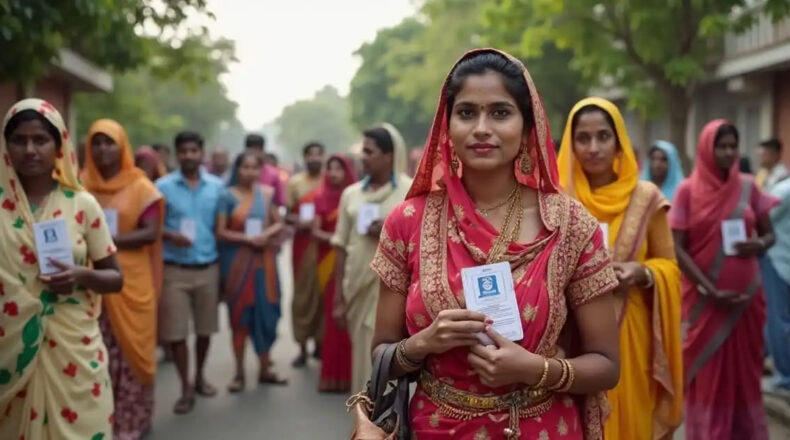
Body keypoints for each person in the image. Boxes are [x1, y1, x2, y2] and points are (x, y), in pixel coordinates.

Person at [369, 50, 621, 440]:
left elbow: (606, 365)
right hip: (435, 429)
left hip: (543, 426)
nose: (482, 128)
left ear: (527, 128)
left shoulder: (570, 225)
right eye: (467, 113)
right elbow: (382, 353)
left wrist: (535, 369)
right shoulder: (408, 221)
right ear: (447, 125)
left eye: (501, 113)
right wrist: (424, 342)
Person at [557, 98, 683, 440]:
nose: (594, 147)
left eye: (603, 136)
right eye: (583, 138)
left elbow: (669, 265)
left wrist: (641, 273)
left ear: (619, 141)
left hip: (630, 334)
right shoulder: (557, 199)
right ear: (571, 142)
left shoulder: (645, 198)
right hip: (571, 336)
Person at [0, 99, 123, 439]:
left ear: (58, 146)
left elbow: (115, 278)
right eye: (18, 140)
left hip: (74, 349)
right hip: (9, 348)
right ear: (5, 146)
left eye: (40, 139)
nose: (29, 149)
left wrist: (82, 276)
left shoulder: (81, 203)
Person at [669, 120, 778, 439]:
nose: (729, 152)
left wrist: (758, 244)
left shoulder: (748, 186)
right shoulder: (688, 190)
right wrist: (708, 287)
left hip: (746, 302)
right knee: (709, 373)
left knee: (746, 372)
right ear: (706, 147)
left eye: (733, 145)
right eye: (722, 146)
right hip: (707, 302)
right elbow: (677, 246)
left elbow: (769, 234)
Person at [82, 119, 164, 439]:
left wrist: (106, 239)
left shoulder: (141, 186)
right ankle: (97, 423)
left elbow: (151, 231)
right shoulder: (79, 184)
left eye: (110, 142)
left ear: (123, 146)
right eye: (97, 142)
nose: (103, 150)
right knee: (96, 351)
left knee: (133, 352)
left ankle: (133, 421)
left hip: (132, 278)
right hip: (91, 277)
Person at [332, 123, 412, 394]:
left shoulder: (408, 191)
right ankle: (364, 417)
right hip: (356, 284)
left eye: (369, 151)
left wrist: (388, 233)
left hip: (392, 288)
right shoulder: (351, 194)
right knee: (361, 356)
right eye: (362, 151)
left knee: (382, 355)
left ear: (389, 155)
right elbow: (340, 246)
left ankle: (380, 420)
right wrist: (338, 299)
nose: (362, 157)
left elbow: (420, 243)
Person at [156, 131, 224, 414]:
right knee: (176, 333)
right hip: (175, 270)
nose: (188, 156)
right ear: (176, 154)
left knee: (205, 329)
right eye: (183, 151)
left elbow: (223, 228)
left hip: (208, 267)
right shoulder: (161, 187)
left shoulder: (217, 187)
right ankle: (185, 386)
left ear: (201, 152)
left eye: (193, 150)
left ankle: (199, 377)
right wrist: (171, 235)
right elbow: (150, 228)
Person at [217, 152, 287, 391]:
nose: (249, 172)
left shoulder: (266, 195)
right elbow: (221, 231)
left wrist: (265, 235)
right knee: (239, 318)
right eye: (244, 167)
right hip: (237, 264)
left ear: (260, 170)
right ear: (237, 169)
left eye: (253, 168)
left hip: (264, 264)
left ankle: (265, 369)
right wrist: (247, 239)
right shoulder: (226, 196)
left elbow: (279, 222)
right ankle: (238, 373)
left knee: (267, 315)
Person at [312, 154, 358, 392]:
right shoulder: (319, 197)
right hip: (330, 262)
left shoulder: (356, 197)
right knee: (334, 316)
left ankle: (354, 375)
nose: (333, 173)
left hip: (354, 261)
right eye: (330, 169)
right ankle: (332, 375)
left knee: (354, 315)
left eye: (338, 168)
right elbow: (315, 231)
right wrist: (339, 240)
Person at [288, 141, 326, 367]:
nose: (314, 158)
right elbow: (287, 215)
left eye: (318, 154)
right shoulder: (294, 183)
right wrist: (299, 222)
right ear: (304, 158)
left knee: (322, 294)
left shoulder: (329, 180)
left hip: (323, 244)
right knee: (302, 295)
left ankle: (319, 346)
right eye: (309, 154)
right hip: (302, 244)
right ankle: (301, 347)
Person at [763, 176, 790, 396]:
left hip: (777, 260)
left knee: (776, 320)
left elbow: (762, 219)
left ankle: (784, 377)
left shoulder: (784, 190)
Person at [243, 134, 285, 206]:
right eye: (251, 151)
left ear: (263, 151)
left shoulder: (274, 174)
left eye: (257, 150)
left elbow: (279, 202)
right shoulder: (238, 172)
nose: (254, 154)